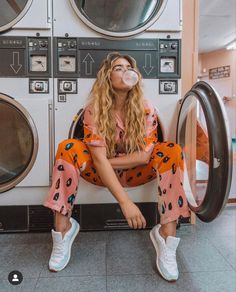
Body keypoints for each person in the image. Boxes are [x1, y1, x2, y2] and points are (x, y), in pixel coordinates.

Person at [43, 52, 190, 282]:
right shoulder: (95, 109)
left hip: (135, 174)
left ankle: (165, 236)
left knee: (172, 150)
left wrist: (101, 161)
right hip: (98, 174)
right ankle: (63, 231)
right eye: (118, 68)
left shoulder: (145, 108)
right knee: (67, 147)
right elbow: (98, 160)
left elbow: (143, 157)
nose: (126, 72)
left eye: (128, 68)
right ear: (107, 77)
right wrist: (126, 202)